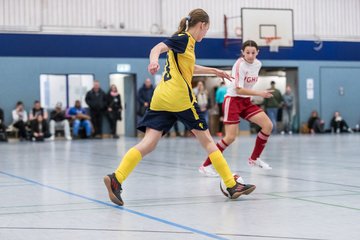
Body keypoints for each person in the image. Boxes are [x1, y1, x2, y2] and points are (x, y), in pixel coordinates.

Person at [103, 9, 256, 206]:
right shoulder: (183, 38)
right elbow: (156, 48)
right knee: (208, 141)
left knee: (149, 143)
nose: (205, 35)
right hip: (180, 97)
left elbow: (189, 68)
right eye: (206, 30)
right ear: (201, 25)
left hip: (161, 97)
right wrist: (152, 63)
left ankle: (116, 179)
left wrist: (214, 71)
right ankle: (230, 184)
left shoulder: (186, 44)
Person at [199, 40, 274, 177]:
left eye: (253, 52)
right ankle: (206, 165)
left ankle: (254, 159)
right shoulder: (239, 65)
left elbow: (246, 89)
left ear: (258, 52)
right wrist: (260, 93)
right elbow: (238, 90)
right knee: (230, 137)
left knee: (267, 125)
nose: (250, 55)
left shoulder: (258, 64)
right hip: (233, 100)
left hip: (246, 101)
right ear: (242, 53)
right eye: (247, 53)